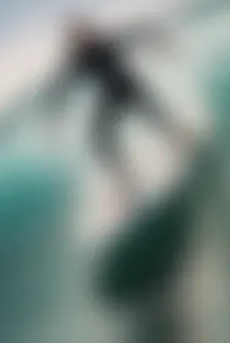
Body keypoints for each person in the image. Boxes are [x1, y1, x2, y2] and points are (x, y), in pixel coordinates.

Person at [43, 14, 196, 207]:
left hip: (132, 89)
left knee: (160, 120)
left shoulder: (108, 41)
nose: (80, 41)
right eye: (75, 39)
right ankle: (127, 183)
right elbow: (61, 86)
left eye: (81, 35)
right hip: (112, 99)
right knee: (99, 142)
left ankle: (185, 144)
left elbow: (138, 33)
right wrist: (54, 113)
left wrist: (161, 40)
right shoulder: (78, 61)